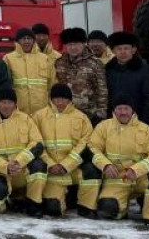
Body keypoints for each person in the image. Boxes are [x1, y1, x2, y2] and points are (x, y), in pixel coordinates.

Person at [87, 94, 149, 224]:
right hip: (116, 180)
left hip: (140, 179)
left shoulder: (145, 130)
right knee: (107, 209)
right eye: (119, 108)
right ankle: (121, 209)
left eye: (126, 108)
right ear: (114, 110)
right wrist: (105, 165)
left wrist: (136, 170)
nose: (123, 112)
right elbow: (92, 148)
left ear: (132, 110)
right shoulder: (103, 127)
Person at [0, 88, 46, 216]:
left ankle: (33, 204)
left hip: (21, 169)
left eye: (10, 102)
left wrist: (19, 162)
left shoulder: (26, 119)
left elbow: (38, 144)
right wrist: (5, 166)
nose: (6, 106)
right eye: (3, 102)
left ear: (15, 104)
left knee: (39, 165)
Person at [31, 84, 98, 217]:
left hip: (74, 169)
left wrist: (65, 165)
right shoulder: (39, 116)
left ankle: (86, 206)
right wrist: (50, 165)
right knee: (52, 209)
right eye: (56, 99)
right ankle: (67, 198)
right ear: (51, 100)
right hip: (51, 172)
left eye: (64, 99)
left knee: (91, 169)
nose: (60, 103)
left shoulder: (81, 118)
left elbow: (85, 144)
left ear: (70, 100)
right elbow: (35, 143)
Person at [54, 27, 108, 122]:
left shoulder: (95, 63)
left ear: (83, 44)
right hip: (65, 113)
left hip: (89, 115)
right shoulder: (59, 62)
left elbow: (102, 90)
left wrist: (101, 113)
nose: (73, 48)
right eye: (70, 44)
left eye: (76, 44)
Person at [104, 31, 149, 123]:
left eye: (126, 48)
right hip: (113, 121)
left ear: (133, 50)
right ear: (113, 51)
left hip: (138, 120)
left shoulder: (144, 70)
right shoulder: (108, 70)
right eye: (119, 49)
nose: (123, 52)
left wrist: (144, 122)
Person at [5, 27, 56, 116]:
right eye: (23, 39)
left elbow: (52, 83)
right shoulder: (8, 58)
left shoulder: (44, 58)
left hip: (42, 110)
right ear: (18, 41)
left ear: (33, 41)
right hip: (18, 110)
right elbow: (6, 85)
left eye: (29, 38)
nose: (27, 41)